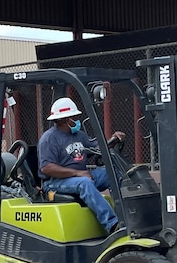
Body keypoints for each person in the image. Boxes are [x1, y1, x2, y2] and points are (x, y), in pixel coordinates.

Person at [37, 97, 125, 233]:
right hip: (55, 182)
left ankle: (126, 215)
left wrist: (113, 140)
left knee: (112, 173)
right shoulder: (49, 139)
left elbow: (96, 149)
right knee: (84, 183)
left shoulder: (79, 135)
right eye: (74, 117)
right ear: (66, 119)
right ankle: (112, 224)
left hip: (81, 176)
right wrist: (77, 173)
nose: (77, 119)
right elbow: (47, 168)